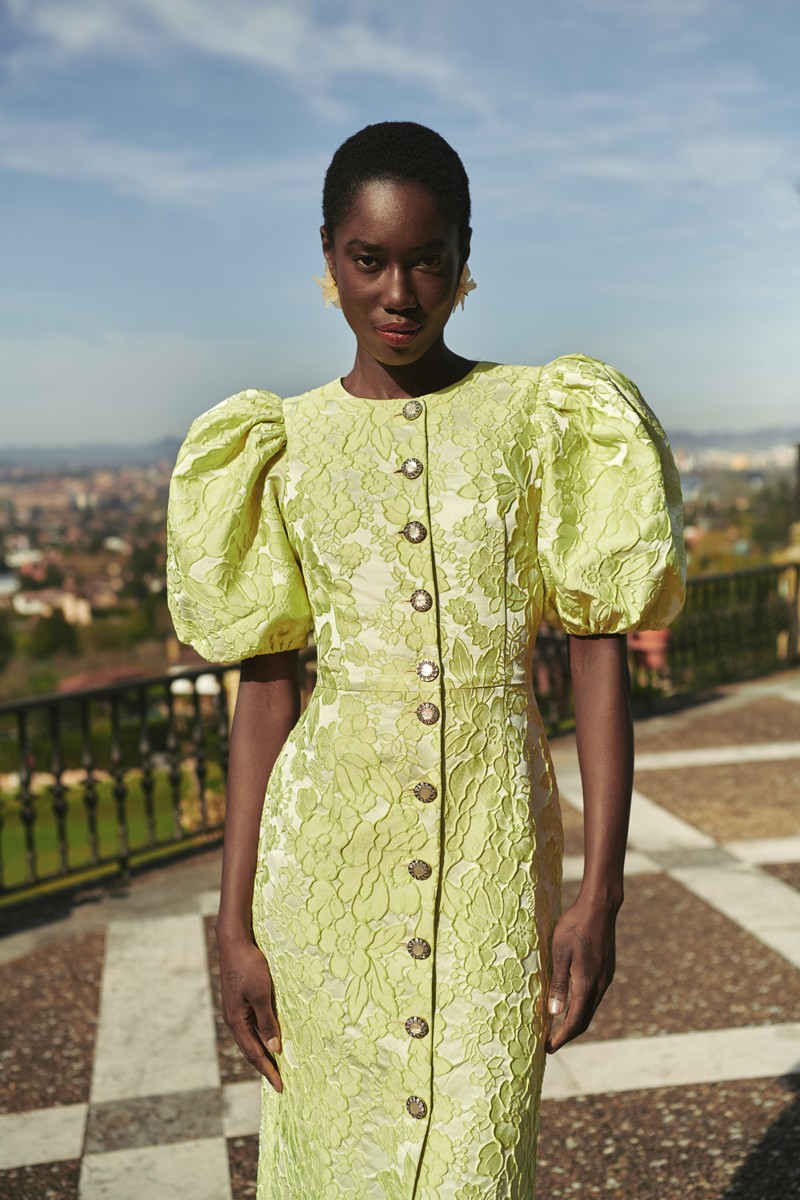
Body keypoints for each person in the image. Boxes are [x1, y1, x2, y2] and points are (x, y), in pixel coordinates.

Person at [166, 121, 686, 1199]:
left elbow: (598, 656)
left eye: (427, 261)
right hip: (324, 879)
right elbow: (264, 697)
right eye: (369, 260)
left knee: (474, 1166)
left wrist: (600, 897)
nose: (398, 292)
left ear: (464, 258)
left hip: (497, 858)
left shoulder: (543, 417)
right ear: (328, 255)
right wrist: (234, 926)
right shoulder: (279, 445)